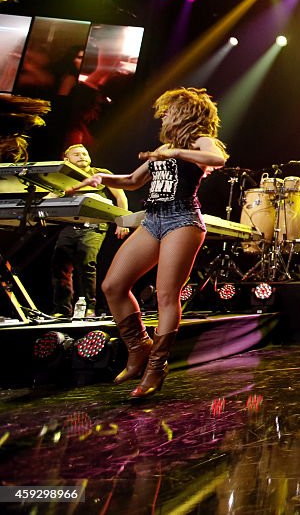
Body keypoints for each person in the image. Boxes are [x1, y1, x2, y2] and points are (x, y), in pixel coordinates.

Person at [66, 87, 228, 397]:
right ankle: (139, 346)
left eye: (168, 110)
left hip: (182, 220)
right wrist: (101, 178)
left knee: (167, 294)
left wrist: (177, 153)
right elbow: (132, 181)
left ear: (185, 113)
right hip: (153, 219)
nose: (163, 115)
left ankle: (156, 367)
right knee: (112, 285)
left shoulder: (199, 142)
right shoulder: (165, 147)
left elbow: (217, 159)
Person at [51, 144, 130, 317]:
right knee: (60, 265)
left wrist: (122, 221)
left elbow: (120, 196)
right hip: (70, 225)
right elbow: (52, 195)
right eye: (77, 154)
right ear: (66, 160)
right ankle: (62, 309)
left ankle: (90, 307)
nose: (82, 156)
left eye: (85, 153)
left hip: (94, 225)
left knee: (86, 263)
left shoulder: (100, 173)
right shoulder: (64, 176)